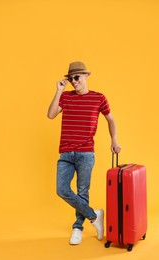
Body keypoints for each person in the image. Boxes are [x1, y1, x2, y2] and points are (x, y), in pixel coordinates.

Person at [47, 61, 121, 245]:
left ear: (86, 76)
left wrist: (114, 140)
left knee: (82, 191)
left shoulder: (99, 98)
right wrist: (58, 90)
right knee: (62, 189)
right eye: (71, 78)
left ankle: (77, 228)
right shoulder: (66, 97)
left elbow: (110, 119)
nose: (73, 81)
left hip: (86, 153)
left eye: (77, 77)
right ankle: (94, 216)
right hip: (65, 153)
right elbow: (50, 114)